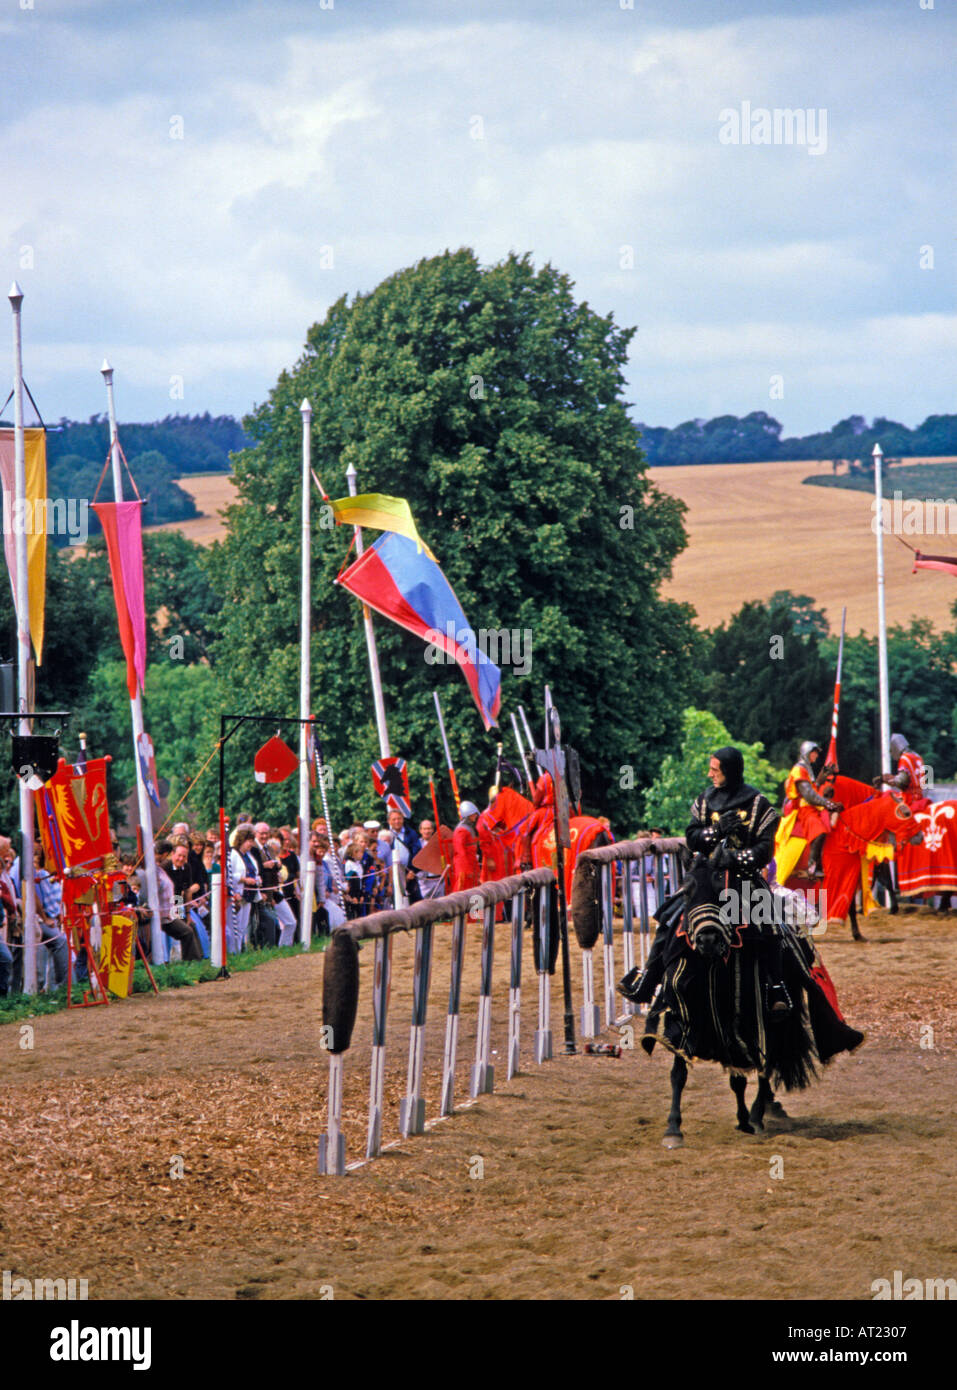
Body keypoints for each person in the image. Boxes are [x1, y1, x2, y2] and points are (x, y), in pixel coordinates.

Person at [686, 745, 791, 1015]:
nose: (710, 774)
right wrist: (716, 830)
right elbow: (691, 836)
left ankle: (776, 986)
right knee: (670, 919)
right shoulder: (704, 800)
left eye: (715, 769)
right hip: (706, 876)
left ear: (730, 771)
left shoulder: (759, 804)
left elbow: (765, 850)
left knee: (769, 923)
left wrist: (733, 858)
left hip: (744, 879)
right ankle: (652, 979)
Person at [776, 740, 842, 880]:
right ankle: (812, 867)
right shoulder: (799, 770)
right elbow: (809, 795)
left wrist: (822, 777)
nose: (816, 756)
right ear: (807, 753)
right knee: (820, 832)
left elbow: (814, 787)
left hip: (810, 807)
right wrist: (828, 804)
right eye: (814, 753)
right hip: (802, 809)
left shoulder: (806, 769)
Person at [154, 841, 204, 960]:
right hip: (166, 906)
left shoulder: (186, 868)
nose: (181, 859)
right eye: (179, 855)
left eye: (184, 856)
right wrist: (175, 911)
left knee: (190, 925)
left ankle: (197, 959)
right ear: (172, 854)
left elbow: (186, 891)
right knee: (182, 929)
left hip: (178, 901)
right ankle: (171, 958)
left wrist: (187, 915)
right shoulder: (164, 867)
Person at [875, 732, 928, 809]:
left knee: (886, 796)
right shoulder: (917, 756)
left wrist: (888, 780)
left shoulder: (904, 758)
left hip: (910, 798)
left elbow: (902, 782)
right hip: (921, 795)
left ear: (895, 747)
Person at [388, 808, 422, 904]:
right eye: (394, 819)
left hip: (409, 873)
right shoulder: (386, 834)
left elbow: (417, 852)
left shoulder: (411, 833)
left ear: (403, 819)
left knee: (415, 901)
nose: (397, 821)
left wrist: (413, 870)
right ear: (389, 821)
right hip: (393, 874)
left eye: (399, 818)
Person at [452, 801, 481, 892]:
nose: (476, 816)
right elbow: (460, 851)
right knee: (462, 890)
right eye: (474, 814)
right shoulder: (461, 830)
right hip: (464, 865)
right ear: (468, 815)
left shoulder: (469, 828)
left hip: (471, 861)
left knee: (473, 889)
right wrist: (467, 868)